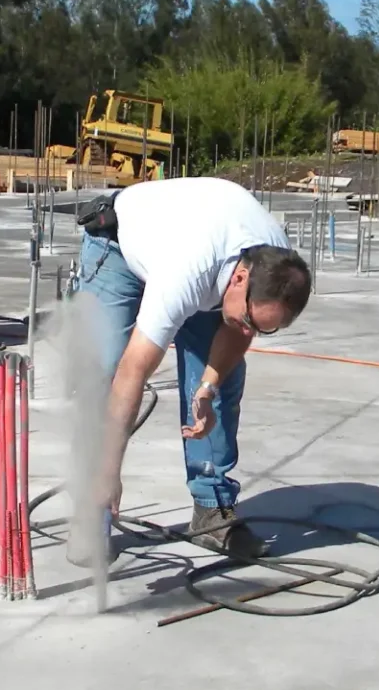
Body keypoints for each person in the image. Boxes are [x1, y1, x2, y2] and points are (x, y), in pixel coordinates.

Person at [71, 176, 313, 562]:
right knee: (105, 370)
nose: (252, 333)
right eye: (251, 321)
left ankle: (211, 511)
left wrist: (208, 386)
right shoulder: (188, 271)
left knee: (225, 379)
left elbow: (242, 329)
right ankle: (94, 509)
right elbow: (133, 371)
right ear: (239, 278)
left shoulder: (277, 267)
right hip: (118, 246)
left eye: (263, 329)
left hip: (199, 254)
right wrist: (109, 471)